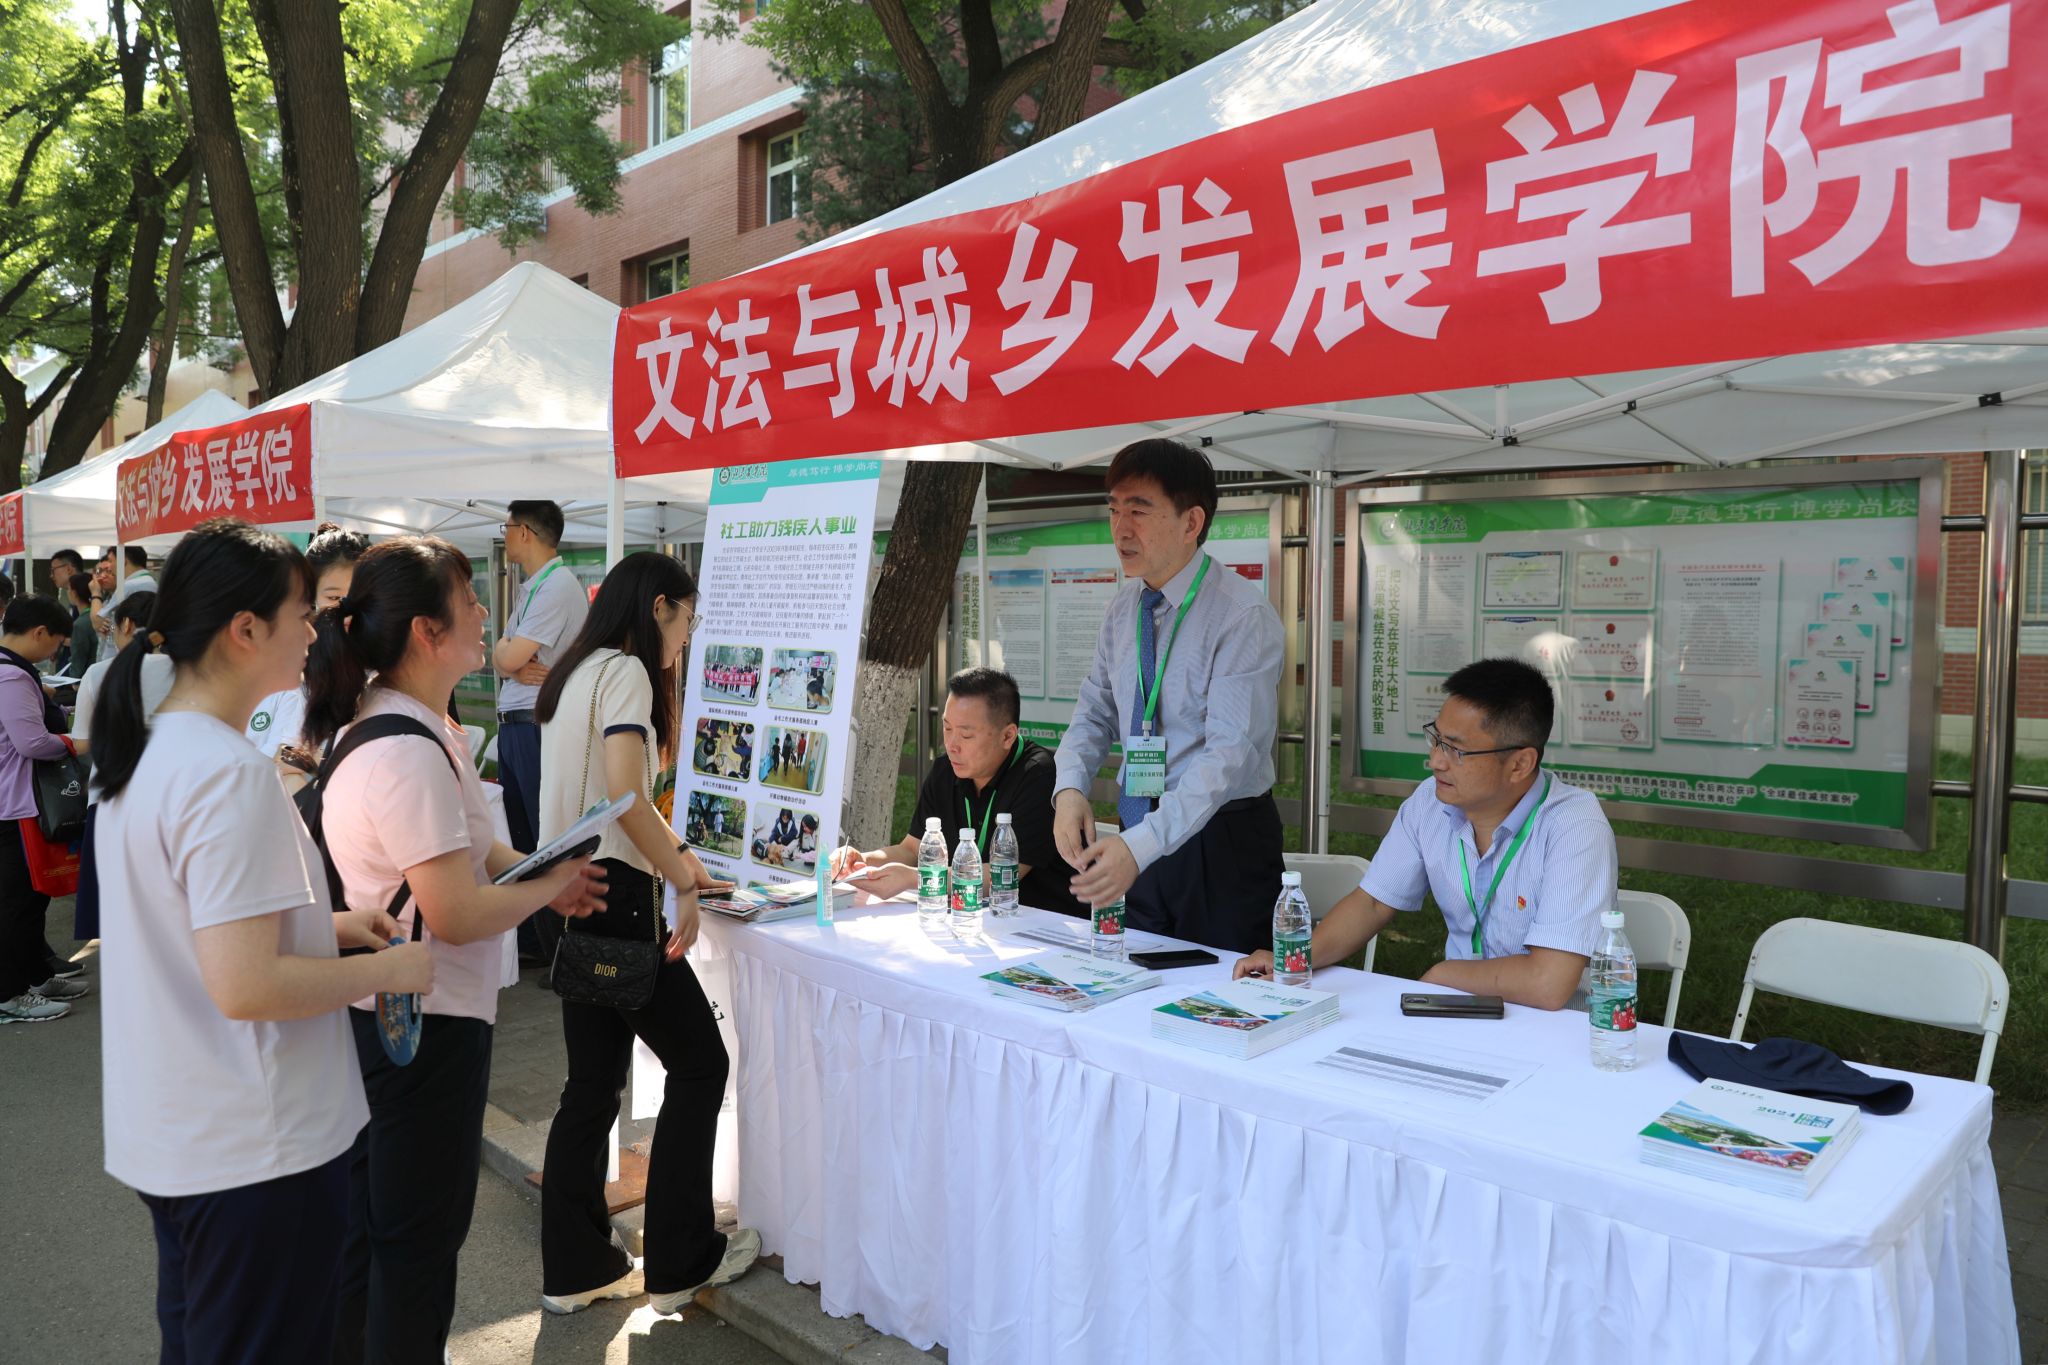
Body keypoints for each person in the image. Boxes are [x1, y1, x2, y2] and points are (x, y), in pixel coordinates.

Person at [91, 518, 434, 1361]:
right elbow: (245, 984)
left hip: (183, 1132)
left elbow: (191, 929)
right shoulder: (225, 770)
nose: (316, 632)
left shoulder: (152, 750)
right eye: (301, 614)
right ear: (245, 630)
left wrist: (330, 926)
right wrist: (391, 966)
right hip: (254, 1147)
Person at [300, 536, 606, 1365]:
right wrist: (551, 885)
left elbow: (472, 851)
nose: (484, 614)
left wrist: (543, 871)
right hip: (421, 1027)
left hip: (398, 1014)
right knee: (414, 1247)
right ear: (426, 631)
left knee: (382, 1240)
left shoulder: (413, 724)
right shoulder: (405, 748)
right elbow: (458, 911)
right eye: (469, 600)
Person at [534, 550, 760, 1316]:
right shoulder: (628, 670)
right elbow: (625, 795)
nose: (687, 636)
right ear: (659, 606)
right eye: (687, 618)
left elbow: (614, 799)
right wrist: (682, 879)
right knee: (700, 1063)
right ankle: (679, 1259)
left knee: (591, 1084)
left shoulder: (576, 671)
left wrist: (680, 860)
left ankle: (576, 1267)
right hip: (617, 895)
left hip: (568, 892)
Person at [1235, 658, 1618, 1010]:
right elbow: (1373, 903)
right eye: (1436, 739)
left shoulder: (1575, 828)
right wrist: (1295, 959)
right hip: (1455, 1011)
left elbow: (1548, 982)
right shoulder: (1431, 802)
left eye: (1456, 750)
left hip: (1554, 1032)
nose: (1435, 761)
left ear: (1520, 764)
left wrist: (1443, 975)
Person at [1052, 439, 1287, 954]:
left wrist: (1141, 845)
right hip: (1140, 830)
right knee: (1128, 975)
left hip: (1219, 843)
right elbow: (1094, 710)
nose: (1121, 528)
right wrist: (1069, 787)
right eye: (1114, 509)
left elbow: (1229, 756)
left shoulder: (1241, 616)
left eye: (1139, 510)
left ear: (1191, 522)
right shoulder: (1124, 609)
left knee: (1220, 991)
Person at [836, 667, 1090, 920]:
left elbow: (1004, 875)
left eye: (966, 735)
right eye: (947, 728)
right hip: (973, 918)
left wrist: (915, 878)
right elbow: (912, 849)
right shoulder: (946, 769)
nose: (951, 745)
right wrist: (862, 861)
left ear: (1007, 736)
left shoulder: (1039, 774)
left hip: (1047, 922)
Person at [0, 595, 88, 1022]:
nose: (55, 652)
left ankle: (35, 976)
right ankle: (9, 994)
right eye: (56, 642)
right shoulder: (12, 676)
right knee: (17, 902)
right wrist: (76, 743)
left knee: (29, 898)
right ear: (39, 633)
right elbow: (32, 743)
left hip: (12, 800)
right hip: (13, 805)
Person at [70, 592, 173, 941]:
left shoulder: (99, 673)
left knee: (117, 914)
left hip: (112, 800)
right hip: (172, 799)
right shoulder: (188, 669)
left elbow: (82, 742)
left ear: (127, 624)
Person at [247, 524, 369, 761]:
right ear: (310, 597)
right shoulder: (285, 668)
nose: (345, 610)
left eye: (357, 597)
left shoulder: (383, 667)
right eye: (333, 597)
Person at [94, 545, 156, 638]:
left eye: (110, 561)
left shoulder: (128, 586)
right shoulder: (151, 582)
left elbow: (98, 622)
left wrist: (95, 592)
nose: (109, 568)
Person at [64, 574, 97, 678]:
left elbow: (78, 659)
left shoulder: (80, 624)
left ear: (74, 593)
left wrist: (74, 679)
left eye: (68, 589)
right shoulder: (99, 616)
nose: (67, 592)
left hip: (85, 679)